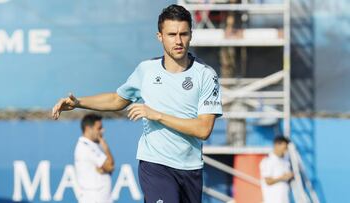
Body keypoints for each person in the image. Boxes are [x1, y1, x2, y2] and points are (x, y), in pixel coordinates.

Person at [52, 4, 222, 203]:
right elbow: (118, 99)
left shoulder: (206, 75)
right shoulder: (146, 70)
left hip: (191, 168)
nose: (178, 41)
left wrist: (156, 114)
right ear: (160, 36)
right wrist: (79, 102)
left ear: (191, 35)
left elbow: (203, 129)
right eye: (171, 34)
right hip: (155, 165)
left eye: (183, 34)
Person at [75, 114, 115, 203]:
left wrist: (105, 168)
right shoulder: (85, 147)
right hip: (93, 198)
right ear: (88, 129)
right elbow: (110, 165)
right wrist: (105, 146)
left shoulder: (93, 145)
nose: (102, 130)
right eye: (99, 128)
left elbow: (109, 167)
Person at [260, 136, 294, 203]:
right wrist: (282, 178)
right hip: (273, 200)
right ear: (276, 145)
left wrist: (290, 175)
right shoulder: (268, 161)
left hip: (284, 199)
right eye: (284, 147)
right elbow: (268, 181)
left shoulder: (285, 160)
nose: (285, 149)